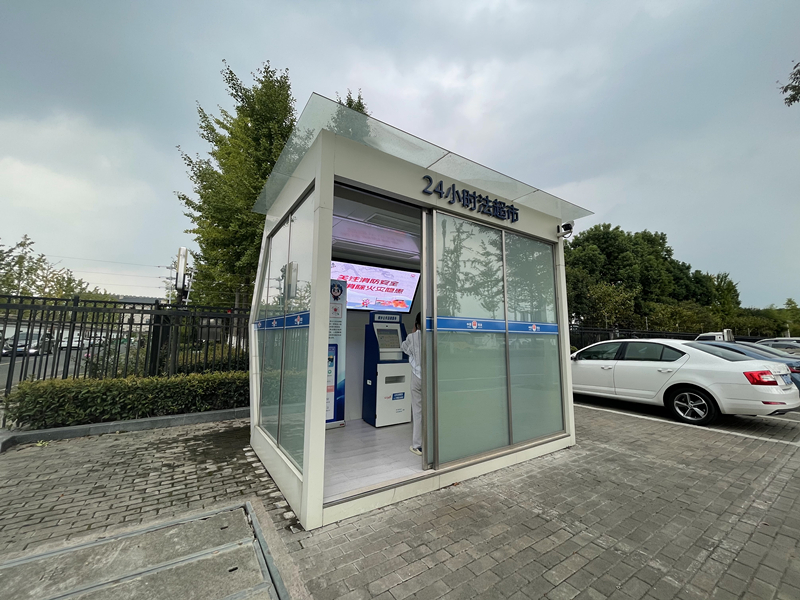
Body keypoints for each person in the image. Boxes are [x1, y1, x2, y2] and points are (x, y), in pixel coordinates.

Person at [400, 312, 422, 456]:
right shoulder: (435, 335)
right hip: (431, 377)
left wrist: (414, 332)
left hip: (417, 377)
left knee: (418, 411)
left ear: (416, 323)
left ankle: (417, 445)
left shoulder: (411, 337)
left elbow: (403, 347)